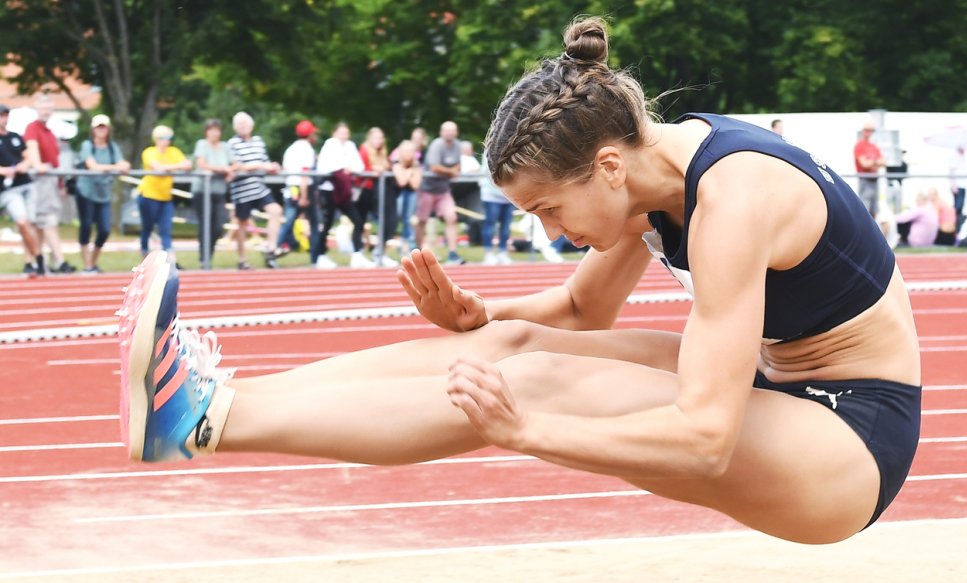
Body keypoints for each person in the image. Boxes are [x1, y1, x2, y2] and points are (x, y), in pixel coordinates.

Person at [118, 17, 920, 545]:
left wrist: (523, 431)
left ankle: (198, 420)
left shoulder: (733, 199)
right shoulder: (653, 178)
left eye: (548, 208)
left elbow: (705, 438)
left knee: (531, 381)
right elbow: (580, 306)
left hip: (849, 442)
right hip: (782, 390)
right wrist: (478, 313)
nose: (550, 232)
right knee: (509, 343)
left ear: (607, 164)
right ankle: (212, 400)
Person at [23, 94, 76, 274]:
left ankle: (38, 261)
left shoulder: (51, 133)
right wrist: (38, 165)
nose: (46, 111)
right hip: (40, 180)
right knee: (46, 221)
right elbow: (32, 148)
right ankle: (57, 260)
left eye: (48, 108)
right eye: (43, 107)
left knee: (42, 223)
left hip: (51, 179)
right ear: (36, 109)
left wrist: (60, 183)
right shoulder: (33, 128)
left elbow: (55, 161)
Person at [227, 112, 283, 270]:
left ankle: (271, 248)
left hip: (259, 187)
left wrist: (272, 167)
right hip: (242, 189)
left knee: (276, 211)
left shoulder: (258, 141)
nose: (243, 126)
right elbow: (237, 165)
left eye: (245, 123)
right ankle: (242, 259)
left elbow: (264, 161)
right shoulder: (232, 143)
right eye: (239, 124)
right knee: (242, 224)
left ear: (251, 125)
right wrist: (260, 166)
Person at [76, 114, 130, 273]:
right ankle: (86, 265)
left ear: (108, 129)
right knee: (86, 226)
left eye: (104, 127)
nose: (101, 130)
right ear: (93, 129)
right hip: (86, 191)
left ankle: (93, 262)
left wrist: (122, 165)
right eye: (98, 127)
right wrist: (114, 167)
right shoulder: (87, 145)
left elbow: (124, 164)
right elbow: (92, 166)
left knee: (105, 229)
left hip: (104, 193)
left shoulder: (113, 147)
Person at [315, 122, 371, 268]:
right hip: (329, 190)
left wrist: (349, 169)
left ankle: (357, 254)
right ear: (334, 133)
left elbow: (359, 166)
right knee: (327, 223)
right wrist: (342, 168)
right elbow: (325, 166)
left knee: (358, 221)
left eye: (346, 132)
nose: (344, 136)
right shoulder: (329, 145)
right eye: (341, 132)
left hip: (345, 191)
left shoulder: (350, 146)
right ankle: (320, 256)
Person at [138, 125, 192, 262]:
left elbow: (187, 165)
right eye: (162, 138)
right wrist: (176, 167)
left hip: (165, 196)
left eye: (168, 138)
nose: (166, 141)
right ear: (156, 139)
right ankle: (144, 254)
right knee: (147, 226)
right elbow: (158, 168)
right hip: (148, 195)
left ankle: (171, 260)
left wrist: (172, 168)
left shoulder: (173, 151)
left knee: (166, 229)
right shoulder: (149, 152)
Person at [0, 104, 41, 274]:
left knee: (30, 224)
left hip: (25, 183)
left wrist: (24, 165)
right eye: (2, 115)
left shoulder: (15, 136)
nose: (4, 118)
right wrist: (4, 170)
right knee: (22, 222)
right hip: (8, 189)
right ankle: (38, 256)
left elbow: (27, 157)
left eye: (6, 115)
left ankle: (30, 262)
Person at [417, 121, 464, 265]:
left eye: (452, 130)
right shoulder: (437, 145)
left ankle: (453, 253)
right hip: (427, 189)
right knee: (422, 220)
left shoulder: (457, 145)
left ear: (456, 132)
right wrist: (450, 172)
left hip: (443, 189)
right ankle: (418, 251)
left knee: (452, 217)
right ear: (441, 132)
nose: (450, 133)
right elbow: (434, 167)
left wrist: (452, 171)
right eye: (447, 130)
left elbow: (457, 165)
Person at [192, 119, 235, 266]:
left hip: (218, 191)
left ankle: (208, 255)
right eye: (211, 130)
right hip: (202, 191)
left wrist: (232, 171)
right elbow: (202, 164)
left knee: (218, 226)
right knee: (205, 225)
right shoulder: (202, 144)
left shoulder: (225, 147)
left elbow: (234, 163)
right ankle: (204, 258)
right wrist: (223, 169)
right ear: (206, 132)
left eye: (217, 130)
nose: (214, 133)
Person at [278, 120, 320, 261]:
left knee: (289, 221)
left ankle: (276, 247)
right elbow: (304, 173)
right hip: (302, 188)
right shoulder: (307, 149)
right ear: (310, 134)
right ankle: (315, 257)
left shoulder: (291, 148)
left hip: (291, 187)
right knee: (314, 223)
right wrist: (304, 196)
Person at [358, 127, 399, 267]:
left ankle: (380, 251)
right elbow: (361, 168)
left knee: (391, 221)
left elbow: (387, 167)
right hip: (370, 190)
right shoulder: (364, 151)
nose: (379, 141)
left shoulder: (383, 153)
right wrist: (373, 170)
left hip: (385, 189)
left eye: (381, 138)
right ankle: (363, 253)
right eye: (376, 137)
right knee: (372, 220)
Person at [478, 156, 515, 265]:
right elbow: (491, 170)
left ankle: (502, 252)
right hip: (491, 194)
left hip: (508, 195)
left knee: (506, 226)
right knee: (490, 223)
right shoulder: (491, 148)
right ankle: (488, 253)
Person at [392, 139, 423, 254]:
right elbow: (402, 182)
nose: (408, 154)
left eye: (410, 151)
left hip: (411, 195)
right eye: (405, 151)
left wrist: (406, 173)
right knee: (400, 219)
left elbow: (415, 185)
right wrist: (410, 172)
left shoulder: (417, 164)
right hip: (398, 195)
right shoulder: (396, 163)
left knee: (409, 220)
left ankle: (409, 246)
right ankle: (402, 245)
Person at [853, 120, 887, 223]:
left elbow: (884, 162)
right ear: (863, 131)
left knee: (874, 208)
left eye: (871, 130)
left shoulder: (874, 147)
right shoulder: (859, 145)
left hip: (874, 179)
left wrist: (871, 162)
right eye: (867, 130)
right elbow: (864, 164)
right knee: (864, 208)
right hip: (865, 179)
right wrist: (876, 162)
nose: (869, 132)